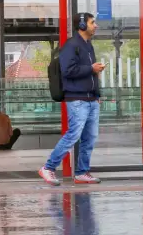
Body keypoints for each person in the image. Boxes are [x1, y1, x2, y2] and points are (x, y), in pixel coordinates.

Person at [39, 12, 105, 186]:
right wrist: (90, 68)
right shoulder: (71, 45)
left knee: (90, 138)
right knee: (73, 135)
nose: (95, 26)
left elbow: (92, 74)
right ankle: (48, 167)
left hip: (91, 99)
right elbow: (68, 71)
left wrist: (97, 95)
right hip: (77, 100)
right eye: (93, 23)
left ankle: (82, 172)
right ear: (82, 25)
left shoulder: (88, 45)